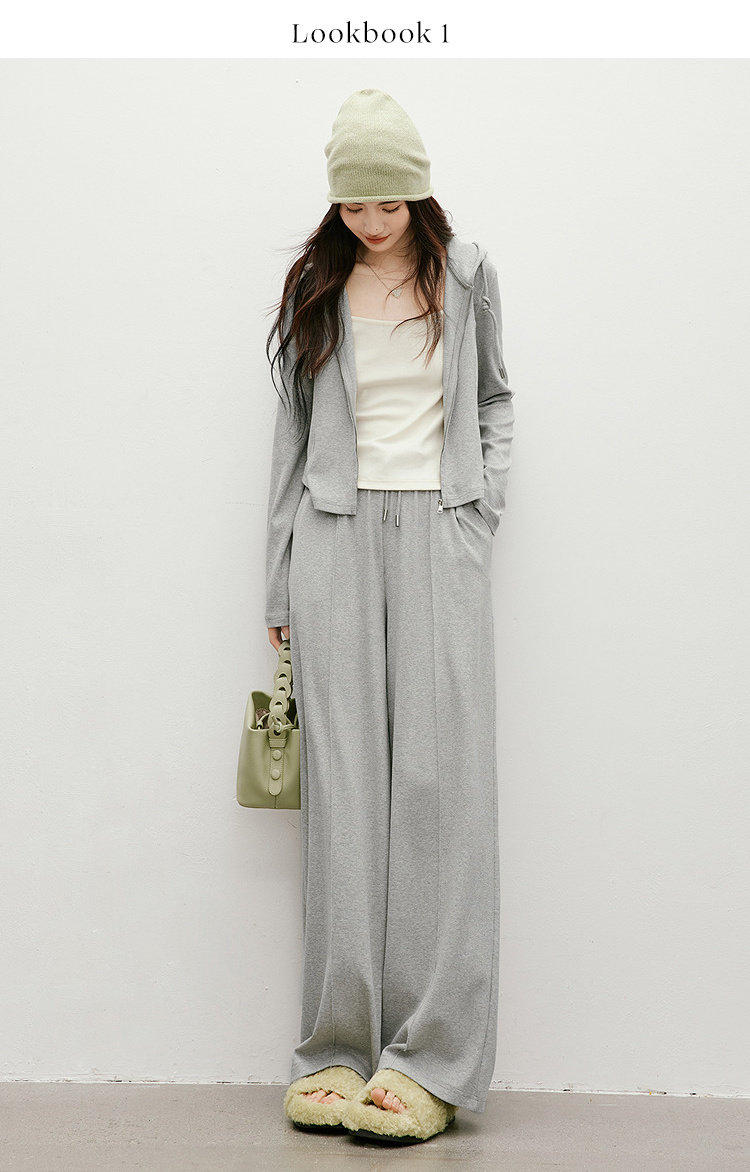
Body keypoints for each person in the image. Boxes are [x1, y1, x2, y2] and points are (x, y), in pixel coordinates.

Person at [263, 88, 515, 1145]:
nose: (371, 221)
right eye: (354, 203)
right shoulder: (316, 283)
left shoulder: (467, 274)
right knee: (345, 800)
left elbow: (494, 399)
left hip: (439, 534)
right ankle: (334, 1049)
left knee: (439, 795)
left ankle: (431, 1059)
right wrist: (279, 585)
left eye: (388, 201)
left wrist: (477, 511)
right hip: (334, 537)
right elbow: (289, 438)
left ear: (418, 190)